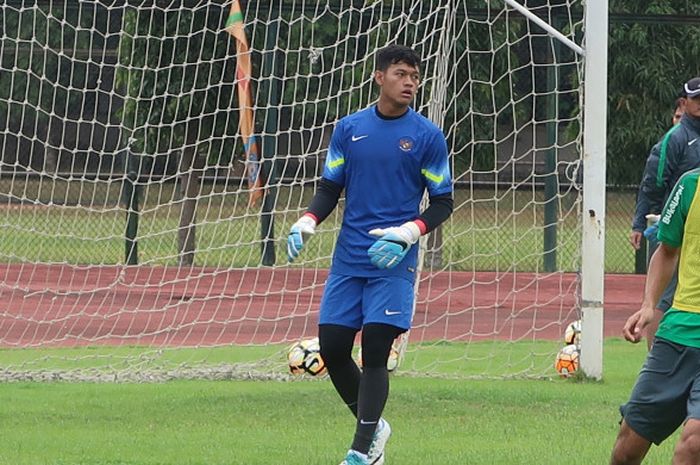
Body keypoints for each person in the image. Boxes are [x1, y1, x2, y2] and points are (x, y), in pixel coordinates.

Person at [287, 44, 453, 465]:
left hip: (393, 260)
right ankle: (374, 428)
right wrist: (308, 219)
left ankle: (362, 452)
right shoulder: (348, 129)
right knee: (334, 346)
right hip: (349, 257)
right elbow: (330, 187)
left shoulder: (428, 136)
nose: (410, 82)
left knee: (377, 344)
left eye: (415, 76)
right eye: (401, 74)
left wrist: (407, 233)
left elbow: (442, 202)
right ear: (379, 77)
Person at [610, 166, 700, 465]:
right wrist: (649, 305)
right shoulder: (690, 185)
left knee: (694, 443)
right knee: (627, 447)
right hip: (678, 331)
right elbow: (667, 250)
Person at [628, 79, 700, 350]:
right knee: (664, 298)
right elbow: (653, 184)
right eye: (697, 99)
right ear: (684, 103)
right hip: (674, 228)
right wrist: (639, 222)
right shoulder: (676, 139)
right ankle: (655, 357)